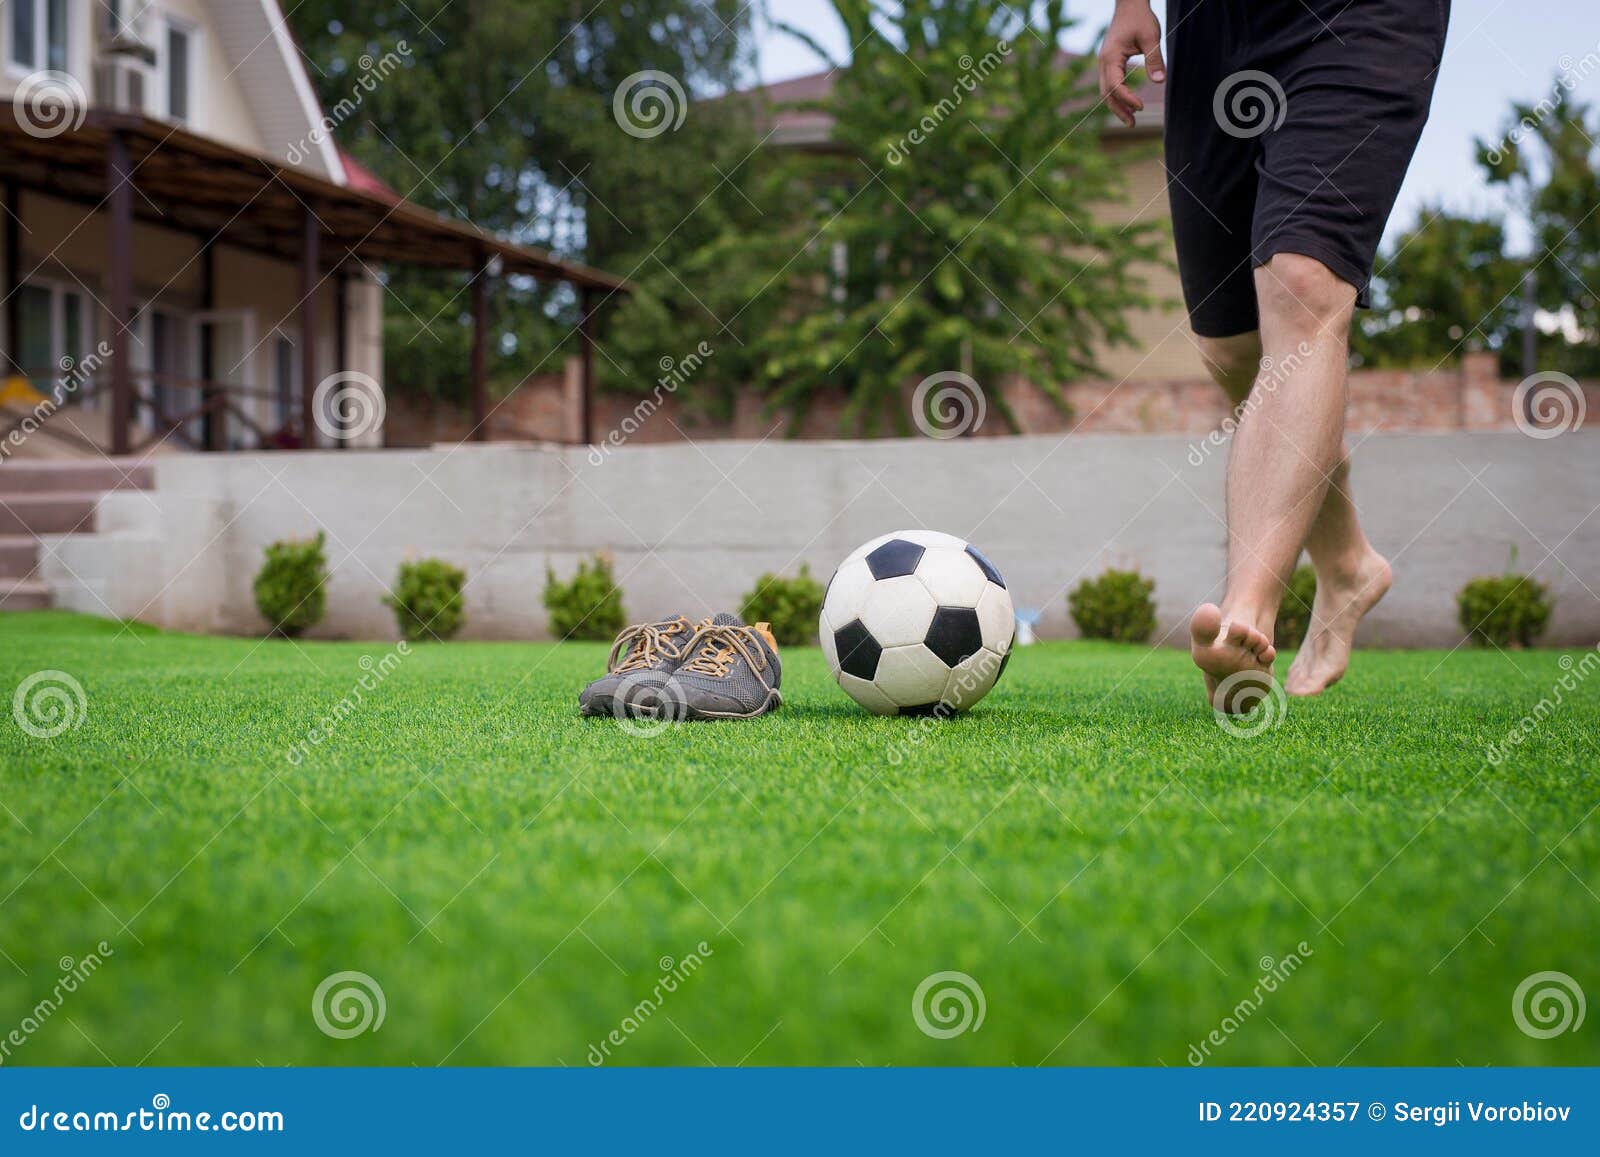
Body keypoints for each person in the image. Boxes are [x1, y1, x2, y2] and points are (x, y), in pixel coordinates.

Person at [1098, 0, 1449, 709]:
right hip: (1214, 27)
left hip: (1366, 17)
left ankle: (1247, 612)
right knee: (1232, 348)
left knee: (1302, 284)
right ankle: (1347, 563)